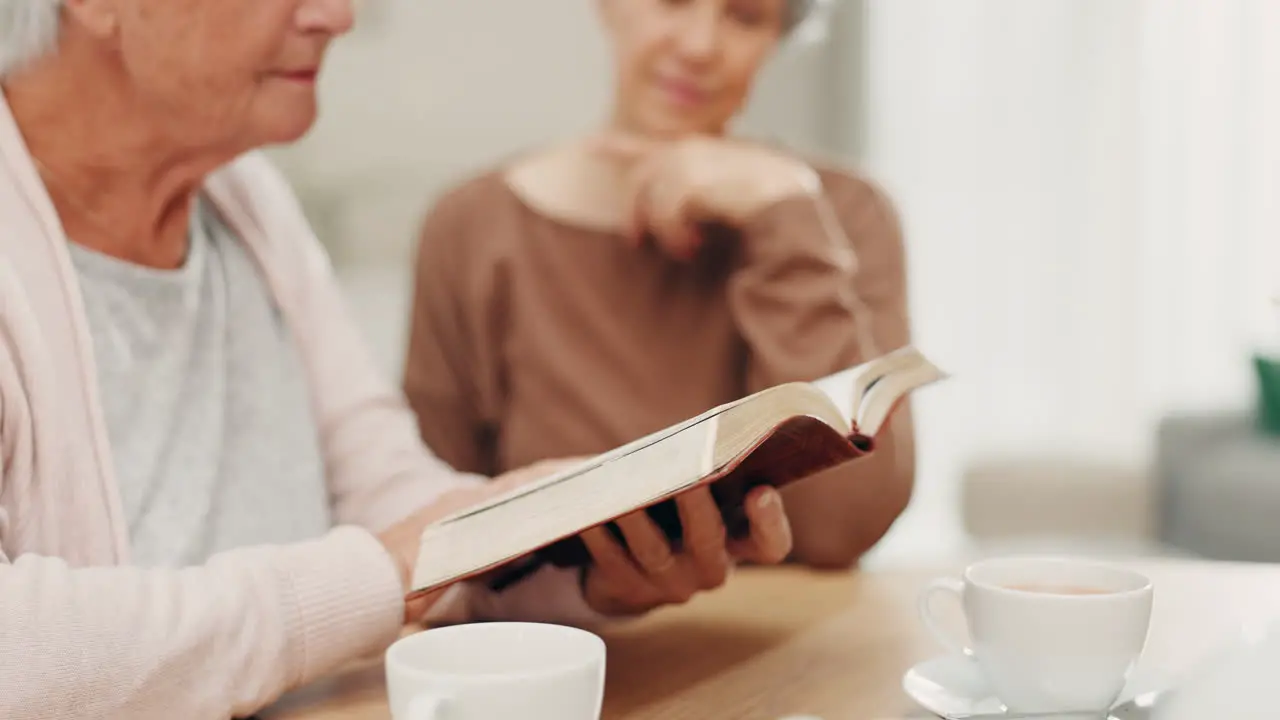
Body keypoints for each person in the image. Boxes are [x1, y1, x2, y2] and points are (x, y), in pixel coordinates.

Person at [0, 1, 795, 718]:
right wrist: (380, 574)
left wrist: (574, 563)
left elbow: (386, 496)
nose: (338, 16)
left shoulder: (247, 202)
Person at [404, 0, 915, 570]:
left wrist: (785, 221)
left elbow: (843, 529)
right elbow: (438, 537)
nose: (699, 47)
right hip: (567, 646)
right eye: (672, 2)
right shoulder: (472, 227)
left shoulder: (841, 215)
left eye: (745, 17)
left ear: (779, 38)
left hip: (789, 641)